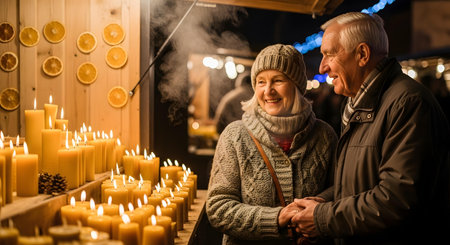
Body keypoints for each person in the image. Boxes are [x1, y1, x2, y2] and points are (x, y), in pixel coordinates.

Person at [289, 12, 450, 244]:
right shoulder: (357, 102)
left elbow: (397, 200)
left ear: (362, 54)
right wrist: (321, 204)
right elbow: (359, 185)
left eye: (329, 54)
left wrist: (322, 218)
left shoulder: (408, 103)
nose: (323, 67)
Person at [206, 44, 338, 245]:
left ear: (296, 85)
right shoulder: (235, 135)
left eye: (277, 80)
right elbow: (218, 208)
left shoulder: (325, 135)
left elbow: (341, 190)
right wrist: (276, 219)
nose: (268, 91)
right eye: (260, 82)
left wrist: (317, 209)